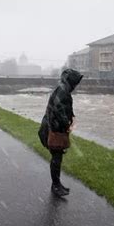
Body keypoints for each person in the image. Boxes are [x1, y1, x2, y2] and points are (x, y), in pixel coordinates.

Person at [38, 68, 83, 197]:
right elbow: (59, 110)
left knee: (57, 157)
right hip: (53, 129)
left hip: (55, 128)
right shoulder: (63, 90)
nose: (76, 85)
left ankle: (56, 184)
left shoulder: (64, 89)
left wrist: (71, 117)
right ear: (71, 80)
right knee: (56, 158)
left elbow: (65, 108)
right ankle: (56, 186)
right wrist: (67, 124)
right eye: (76, 82)